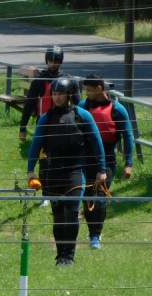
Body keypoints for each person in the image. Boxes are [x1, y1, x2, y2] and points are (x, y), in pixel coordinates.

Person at [27, 77, 107, 266]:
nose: (57, 97)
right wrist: (30, 170)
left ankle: (69, 256)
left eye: (61, 94)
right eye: (54, 94)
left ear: (69, 94)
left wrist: (101, 169)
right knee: (58, 216)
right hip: (53, 172)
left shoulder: (83, 115)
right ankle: (60, 255)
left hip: (74, 171)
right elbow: (35, 145)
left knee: (71, 213)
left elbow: (97, 143)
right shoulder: (46, 118)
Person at [79, 73, 134, 249]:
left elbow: (128, 137)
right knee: (88, 197)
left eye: (88, 90)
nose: (85, 93)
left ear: (99, 89)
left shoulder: (117, 109)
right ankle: (91, 233)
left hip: (108, 160)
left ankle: (96, 236)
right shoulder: (82, 107)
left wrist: (128, 164)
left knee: (100, 196)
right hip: (86, 159)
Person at [19, 46, 80, 142]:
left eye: (56, 61)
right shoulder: (38, 82)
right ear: (46, 61)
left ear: (60, 62)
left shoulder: (71, 81)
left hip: (65, 120)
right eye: (50, 61)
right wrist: (22, 129)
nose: (52, 64)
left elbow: (78, 106)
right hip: (44, 121)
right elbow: (29, 106)